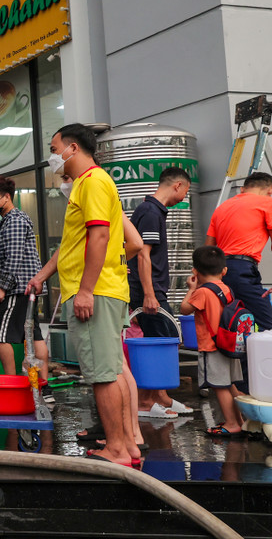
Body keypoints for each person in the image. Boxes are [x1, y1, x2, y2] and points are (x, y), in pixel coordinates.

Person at [28, 123, 138, 466]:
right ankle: (127, 447)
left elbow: (100, 238)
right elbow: (73, 244)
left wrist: (86, 291)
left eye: (54, 147)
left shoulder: (92, 182)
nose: (52, 156)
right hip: (105, 289)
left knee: (102, 375)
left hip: (96, 291)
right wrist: (44, 274)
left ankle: (117, 450)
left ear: (72, 148)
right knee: (112, 370)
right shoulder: (87, 185)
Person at [127, 167, 193, 419]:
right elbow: (143, 255)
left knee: (162, 339)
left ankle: (160, 396)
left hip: (153, 288)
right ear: (177, 185)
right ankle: (144, 402)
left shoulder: (152, 210)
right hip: (149, 289)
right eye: (185, 191)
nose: (185, 197)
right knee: (158, 343)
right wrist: (149, 294)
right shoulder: (151, 212)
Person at [0, 176, 49, 391]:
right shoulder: (13, 219)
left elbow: (14, 256)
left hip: (15, 288)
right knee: (32, 333)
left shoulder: (15, 220)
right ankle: (42, 384)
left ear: (7, 197)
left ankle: (11, 384)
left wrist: (2, 287)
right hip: (25, 287)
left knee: (0, 334)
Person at [180, 246, 246, 437]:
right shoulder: (227, 289)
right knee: (231, 384)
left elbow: (185, 309)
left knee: (220, 386)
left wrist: (191, 289)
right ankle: (242, 420)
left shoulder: (202, 292)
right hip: (229, 344)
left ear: (195, 271)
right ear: (224, 271)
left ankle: (232, 423)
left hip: (212, 346)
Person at [206, 171, 272, 331]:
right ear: (269, 191)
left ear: (244, 188)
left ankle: (244, 357)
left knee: (235, 327)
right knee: (269, 325)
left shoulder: (221, 208)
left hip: (219, 273)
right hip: (242, 271)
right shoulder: (266, 203)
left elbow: (207, 250)